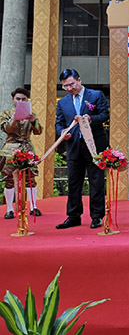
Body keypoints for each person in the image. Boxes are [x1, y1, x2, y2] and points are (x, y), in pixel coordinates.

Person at [55, 69, 109, 229]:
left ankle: (97, 216)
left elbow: (105, 114)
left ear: (79, 79)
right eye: (65, 86)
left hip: (94, 146)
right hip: (73, 146)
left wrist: (92, 119)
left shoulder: (95, 95)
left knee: (96, 182)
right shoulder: (63, 102)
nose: (70, 88)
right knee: (73, 182)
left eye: (72, 84)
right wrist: (62, 133)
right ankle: (73, 216)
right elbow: (59, 123)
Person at [0, 88, 43, 219]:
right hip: (10, 149)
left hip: (27, 148)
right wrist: (15, 117)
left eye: (24, 99)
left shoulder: (31, 114)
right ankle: (9, 209)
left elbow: (38, 131)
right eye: (18, 99)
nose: (20, 101)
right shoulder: (5, 114)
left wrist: (33, 121)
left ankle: (33, 206)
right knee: (9, 179)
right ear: (13, 100)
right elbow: (7, 129)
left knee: (31, 178)